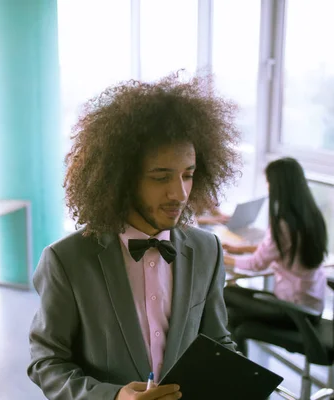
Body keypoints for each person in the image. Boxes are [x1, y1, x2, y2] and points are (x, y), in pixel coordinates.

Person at [27, 74, 241, 400]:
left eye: (188, 174)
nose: (179, 193)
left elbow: (217, 342)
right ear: (122, 178)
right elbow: (47, 362)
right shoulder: (66, 260)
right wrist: (114, 397)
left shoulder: (206, 248)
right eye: (160, 177)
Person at [222, 157, 328, 354]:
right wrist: (240, 250)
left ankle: (240, 374)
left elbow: (256, 264)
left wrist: (220, 256)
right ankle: (242, 373)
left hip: (294, 312)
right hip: (310, 307)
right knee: (234, 314)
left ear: (278, 185)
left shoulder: (283, 222)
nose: (268, 187)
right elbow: (280, 248)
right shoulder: (310, 215)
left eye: (269, 182)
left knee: (225, 294)